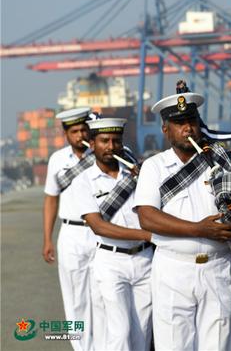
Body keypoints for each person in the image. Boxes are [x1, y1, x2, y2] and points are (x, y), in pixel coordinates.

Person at [135, 88, 231, 350]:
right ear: (165, 129)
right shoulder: (154, 167)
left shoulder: (221, 161)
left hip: (218, 267)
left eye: (192, 122)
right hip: (174, 270)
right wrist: (199, 230)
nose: (188, 129)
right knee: (174, 345)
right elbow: (147, 217)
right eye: (179, 123)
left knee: (218, 345)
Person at [72, 117, 153, 350]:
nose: (111, 146)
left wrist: (147, 178)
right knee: (120, 331)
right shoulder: (83, 181)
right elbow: (98, 226)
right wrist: (147, 236)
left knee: (142, 332)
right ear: (92, 144)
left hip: (145, 261)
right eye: (104, 141)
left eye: (116, 141)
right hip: (111, 261)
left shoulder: (139, 174)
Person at [42, 107, 97, 351]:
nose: (80, 135)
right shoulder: (57, 160)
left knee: (103, 295)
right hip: (71, 234)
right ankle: (81, 348)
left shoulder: (103, 155)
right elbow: (50, 199)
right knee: (75, 299)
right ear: (66, 134)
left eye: (83, 129)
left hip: (101, 232)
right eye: (74, 131)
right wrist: (47, 239)